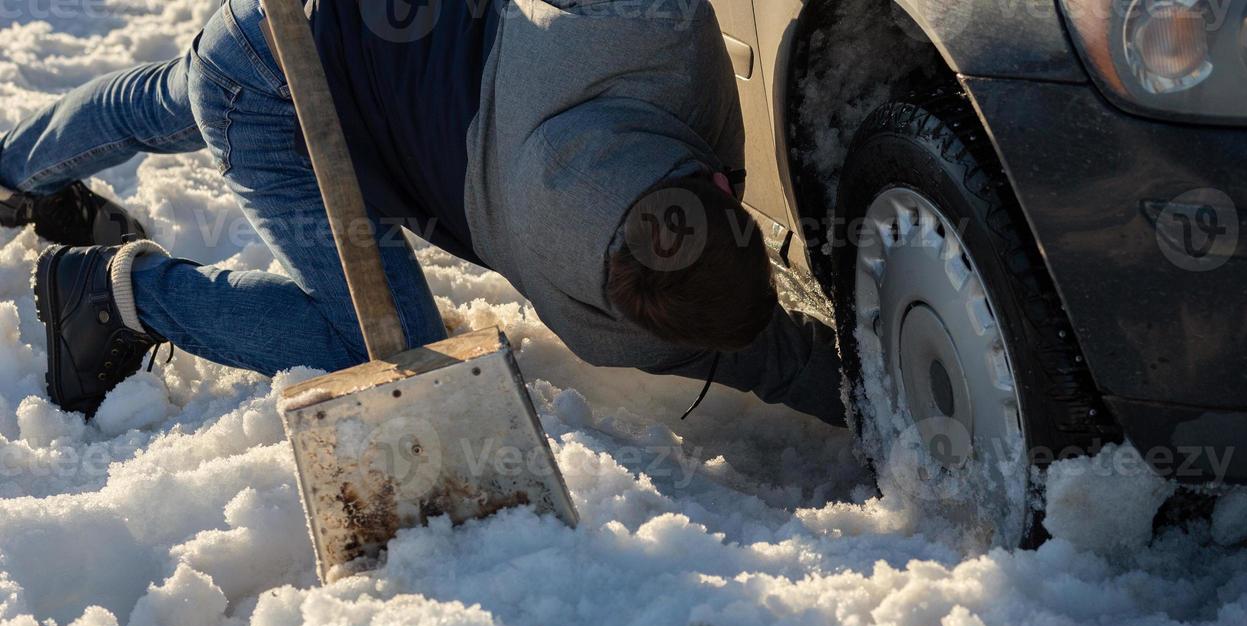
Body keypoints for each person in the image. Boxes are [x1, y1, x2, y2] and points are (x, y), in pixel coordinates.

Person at [1, 0, 846, 425]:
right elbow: (779, 361)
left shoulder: (647, 34)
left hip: (298, 30)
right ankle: (116, 297)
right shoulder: (620, 334)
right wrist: (898, 409)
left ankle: (14, 168)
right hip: (279, 93)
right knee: (382, 346)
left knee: (177, 92)